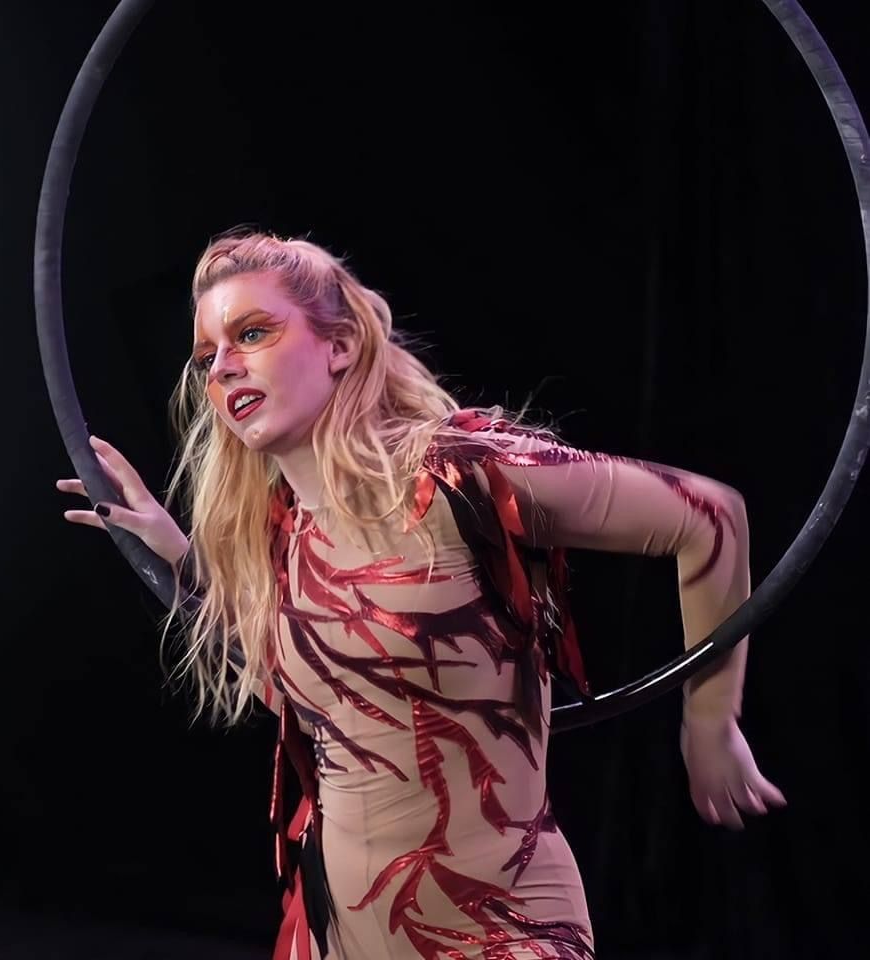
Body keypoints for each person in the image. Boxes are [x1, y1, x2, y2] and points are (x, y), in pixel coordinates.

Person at [56, 228, 786, 960]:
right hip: (333, 935)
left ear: (340, 345)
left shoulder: (456, 478)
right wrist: (175, 549)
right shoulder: (281, 535)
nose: (223, 368)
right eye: (207, 357)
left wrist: (710, 724)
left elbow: (709, 518)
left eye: (252, 333)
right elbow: (314, 698)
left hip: (498, 931)